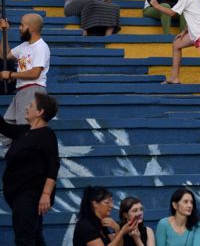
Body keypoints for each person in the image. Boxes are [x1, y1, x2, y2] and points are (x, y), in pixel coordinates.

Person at [0, 93, 59, 245]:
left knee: (24, 238)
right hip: (17, 195)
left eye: (31, 105)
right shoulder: (24, 131)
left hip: (31, 195)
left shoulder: (47, 135)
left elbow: (53, 166)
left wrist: (46, 194)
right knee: (35, 236)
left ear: (40, 112)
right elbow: (3, 126)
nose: (27, 107)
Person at [73, 186, 138, 246]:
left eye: (112, 202)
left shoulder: (101, 223)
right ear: (95, 204)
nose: (112, 206)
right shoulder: (85, 226)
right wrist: (122, 232)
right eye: (107, 202)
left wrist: (117, 228)